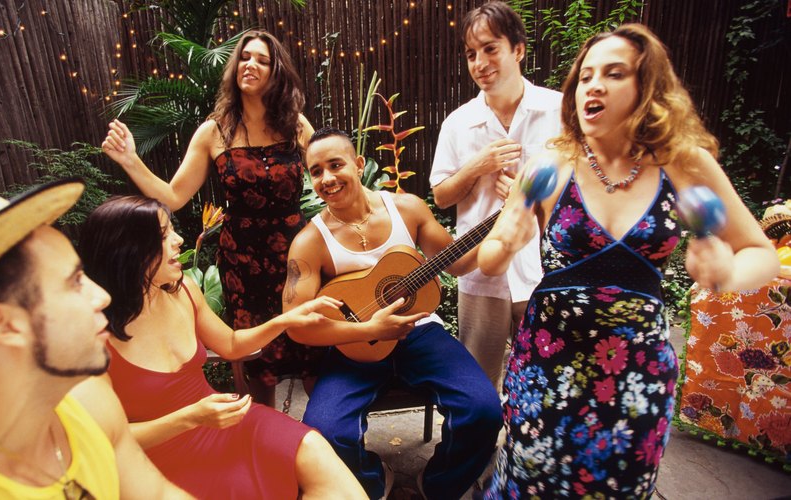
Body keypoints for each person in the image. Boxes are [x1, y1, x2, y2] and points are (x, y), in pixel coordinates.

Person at [477, 24, 779, 498]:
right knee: (529, 486)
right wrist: (508, 238)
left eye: (614, 74)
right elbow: (491, 262)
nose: (593, 86)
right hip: (549, 367)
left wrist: (725, 273)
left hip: (636, 373)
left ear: (647, 89)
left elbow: (761, 253)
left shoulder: (684, 163)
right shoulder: (549, 166)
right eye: (585, 77)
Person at [0, 176, 191, 498]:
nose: (101, 296)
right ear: (4, 324)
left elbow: (156, 493)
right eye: (74, 282)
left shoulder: (89, 401)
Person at [77, 195, 366, 499]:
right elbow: (102, 441)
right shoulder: (93, 337)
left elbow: (230, 344)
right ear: (126, 252)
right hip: (157, 456)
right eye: (163, 235)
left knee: (314, 448)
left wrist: (286, 320)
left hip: (226, 422)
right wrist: (191, 418)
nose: (178, 240)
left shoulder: (183, 290)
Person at [282, 127, 503, 499]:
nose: (327, 179)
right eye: (316, 171)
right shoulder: (310, 242)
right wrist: (369, 327)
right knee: (324, 430)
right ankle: (374, 479)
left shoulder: (408, 209)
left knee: (483, 411)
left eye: (335, 165)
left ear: (359, 163)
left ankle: (436, 484)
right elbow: (297, 328)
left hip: (420, 331)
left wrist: (505, 225)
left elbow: (459, 262)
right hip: (355, 343)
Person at [102, 30, 319, 407]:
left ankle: (328, 432)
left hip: (297, 256)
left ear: (276, 72)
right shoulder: (213, 131)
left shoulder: (296, 125)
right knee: (257, 361)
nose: (250, 64)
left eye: (262, 60)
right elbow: (173, 196)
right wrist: (130, 161)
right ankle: (263, 437)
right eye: (245, 57)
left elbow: (330, 174)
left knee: (313, 347)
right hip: (244, 262)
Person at [429, 1, 562, 391]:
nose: (480, 62)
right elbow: (440, 196)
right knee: (478, 383)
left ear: (518, 49)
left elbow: (582, 188)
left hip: (542, 270)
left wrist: (533, 193)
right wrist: (478, 165)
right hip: (479, 273)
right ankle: (480, 450)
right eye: (472, 54)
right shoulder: (458, 123)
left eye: (491, 49)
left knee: (543, 375)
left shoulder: (557, 110)